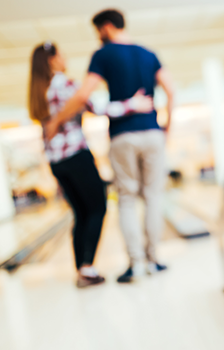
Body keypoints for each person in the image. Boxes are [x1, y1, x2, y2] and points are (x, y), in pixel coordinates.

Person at [45, 9, 175, 283]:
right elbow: (171, 90)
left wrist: (56, 121)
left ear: (106, 27)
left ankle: (136, 264)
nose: (97, 37)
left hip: (122, 135)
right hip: (153, 132)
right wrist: (166, 128)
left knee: (127, 198)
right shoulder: (149, 54)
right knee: (153, 197)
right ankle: (154, 260)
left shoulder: (103, 54)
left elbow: (83, 94)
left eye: (98, 31)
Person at [29, 42, 153, 287]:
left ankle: (82, 270)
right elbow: (98, 107)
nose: (65, 58)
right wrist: (133, 104)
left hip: (56, 161)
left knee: (81, 214)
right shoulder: (64, 84)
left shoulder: (38, 91)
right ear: (52, 60)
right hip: (76, 155)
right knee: (97, 207)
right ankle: (87, 267)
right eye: (61, 54)